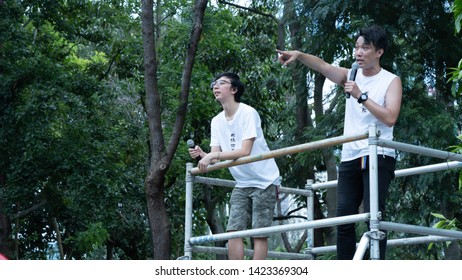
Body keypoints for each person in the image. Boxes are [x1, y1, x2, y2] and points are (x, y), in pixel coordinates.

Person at [277, 25, 402, 260]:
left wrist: (361, 96)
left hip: (379, 154)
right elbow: (323, 66)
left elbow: (390, 117)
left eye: (365, 48)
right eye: (356, 47)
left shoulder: (391, 81)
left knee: (373, 217)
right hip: (350, 156)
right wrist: (299, 55)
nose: (359, 53)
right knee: (343, 219)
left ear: (379, 52)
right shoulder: (351, 74)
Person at [189, 72, 281, 260]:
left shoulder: (248, 112)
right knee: (233, 231)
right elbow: (216, 157)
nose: (215, 86)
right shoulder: (216, 121)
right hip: (242, 182)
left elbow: (245, 150)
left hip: (265, 180)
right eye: (214, 83)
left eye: (221, 83)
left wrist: (214, 155)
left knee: (259, 233)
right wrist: (204, 155)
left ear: (234, 89)